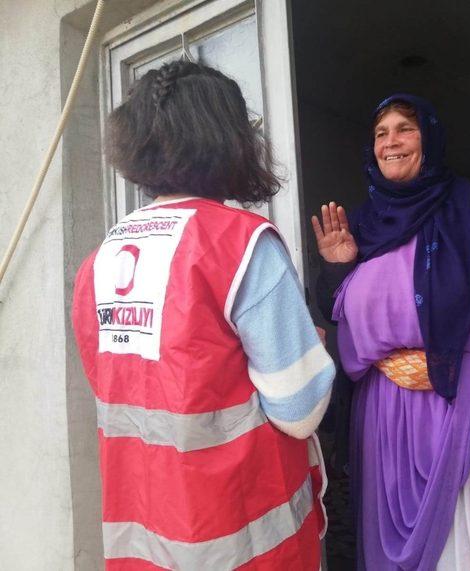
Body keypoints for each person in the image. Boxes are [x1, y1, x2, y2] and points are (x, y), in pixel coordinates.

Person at [72, 60, 335, 570]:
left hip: (146, 541)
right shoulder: (241, 244)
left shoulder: (98, 262)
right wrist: (313, 347)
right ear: (228, 138)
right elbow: (300, 411)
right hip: (247, 539)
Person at [312, 94, 470, 570]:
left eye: (405, 129)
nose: (391, 142)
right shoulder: (361, 224)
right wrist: (337, 268)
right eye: (381, 133)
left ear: (430, 138)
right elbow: (330, 313)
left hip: (467, 398)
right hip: (386, 413)